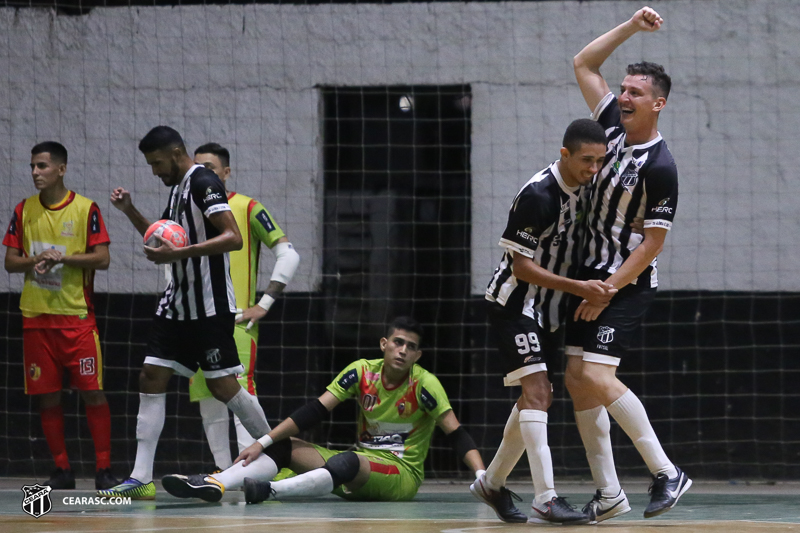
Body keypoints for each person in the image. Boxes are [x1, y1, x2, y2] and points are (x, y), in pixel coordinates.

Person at [566, 6, 690, 523]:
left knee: (593, 372)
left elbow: (652, 244)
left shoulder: (661, 167)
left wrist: (609, 288)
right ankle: (609, 492)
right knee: (576, 376)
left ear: (658, 104)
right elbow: (583, 64)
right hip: (589, 276)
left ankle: (666, 472)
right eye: (623, 90)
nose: (623, 97)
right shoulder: (610, 126)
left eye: (635, 93)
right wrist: (632, 28)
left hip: (626, 283)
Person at [98, 126, 271, 499]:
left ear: (176, 153)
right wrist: (130, 211)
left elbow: (233, 237)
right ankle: (141, 477)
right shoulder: (176, 190)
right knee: (150, 375)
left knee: (222, 386)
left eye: (157, 163)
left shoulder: (203, 181)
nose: (155, 171)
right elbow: (161, 236)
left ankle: (274, 448)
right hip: (177, 304)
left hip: (209, 306)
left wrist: (177, 254)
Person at [160, 316, 486, 504]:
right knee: (284, 446)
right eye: (398, 342)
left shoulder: (424, 385)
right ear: (384, 344)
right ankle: (216, 484)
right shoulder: (361, 371)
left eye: (411, 347)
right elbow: (314, 411)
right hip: (357, 467)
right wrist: (263, 442)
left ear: (418, 355)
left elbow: (456, 433)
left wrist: (482, 476)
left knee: (347, 460)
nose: (403, 351)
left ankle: (270, 491)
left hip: (400, 475)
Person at [472, 120, 614, 525]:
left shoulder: (590, 187)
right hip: (514, 303)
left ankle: (492, 483)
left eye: (599, 161)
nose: (594, 169)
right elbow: (522, 267)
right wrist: (579, 286)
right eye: (587, 160)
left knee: (535, 400)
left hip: (552, 310)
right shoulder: (538, 194)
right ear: (565, 154)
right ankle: (546, 498)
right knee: (537, 394)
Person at [3, 141, 119, 490]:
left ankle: (103, 470)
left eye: (42, 166)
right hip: (36, 319)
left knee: (92, 391)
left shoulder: (86, 209)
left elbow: (102, 258)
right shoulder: (24, 210)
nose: (36, 173)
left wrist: (63, 257)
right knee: (47, 396)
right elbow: (10, 262)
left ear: (61, 169)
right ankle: (62, 470)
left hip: (77, 318)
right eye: (33, 167)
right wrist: (34, 261)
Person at [189, 142, 299, 470]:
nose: (201, 174)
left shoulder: (247, 207)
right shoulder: (189, 209)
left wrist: (264, 303)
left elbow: (289, 253)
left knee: (239, 395)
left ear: (226, 172)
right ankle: (226, 475)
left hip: (235, 322)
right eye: (197, 168)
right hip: (197, 321)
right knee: (207, 399)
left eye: (209, 167)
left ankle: (254, 471)